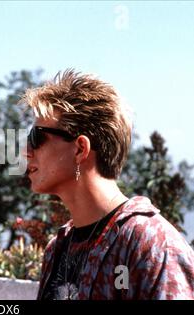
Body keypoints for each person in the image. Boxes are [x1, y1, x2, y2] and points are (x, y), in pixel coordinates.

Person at [22, 69, 194, 299]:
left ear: (80, 149)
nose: (26, 151)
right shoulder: (58, 249)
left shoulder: (151, 245)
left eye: (37, 136)